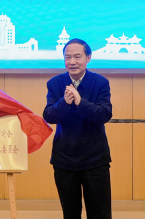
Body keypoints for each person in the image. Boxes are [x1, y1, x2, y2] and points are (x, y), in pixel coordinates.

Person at [43, 38, 113, 219]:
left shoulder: (100, 83)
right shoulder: (55, 83)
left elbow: (104, 114)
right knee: (70, 213)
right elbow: (49, 116)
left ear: (88, 57)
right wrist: (63, 102)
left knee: (100, 213)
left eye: (77, 57)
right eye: (68, 57)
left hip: (95, 159)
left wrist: (80, 102)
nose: (72, 62)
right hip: (64, 159)